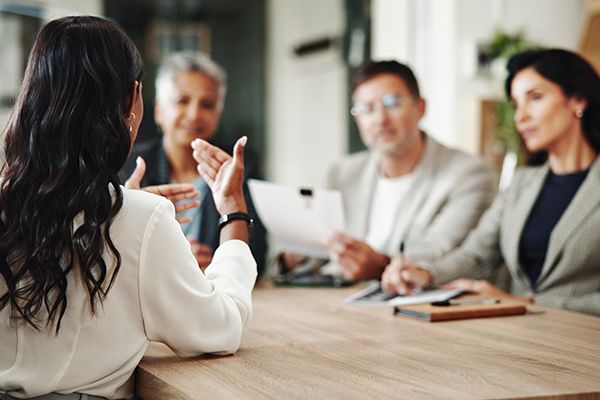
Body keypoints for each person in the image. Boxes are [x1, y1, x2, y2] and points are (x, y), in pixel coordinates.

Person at [0, 16, 256, 399]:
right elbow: (219, 329)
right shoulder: (140, 218)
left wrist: (126, 205)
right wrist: (233, 214)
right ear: (134, 100)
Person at [382, 49, 600, 316]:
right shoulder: (521, 184)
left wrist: (525, 304)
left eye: (535, 98)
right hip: (519, 338)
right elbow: (476, 256)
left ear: (578, 99)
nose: (521, 116)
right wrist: (424, 273)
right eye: (516, 104)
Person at [280, 61, 497, 281]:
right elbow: (324, 251)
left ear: (420, 108)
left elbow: (443, 250)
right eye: (367, 108)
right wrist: (296, 256)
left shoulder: (469, 174)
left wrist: (381, 265)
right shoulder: (343, 172)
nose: (380, 119)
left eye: (392, 103)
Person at [119, 51, 267, 275]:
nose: (194, 114)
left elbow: (257, 254)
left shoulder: (238, 167)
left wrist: (216, 266)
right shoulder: (130, 165)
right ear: (159, 111)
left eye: (207, 104)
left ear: (218, 113)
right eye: (183, 101)